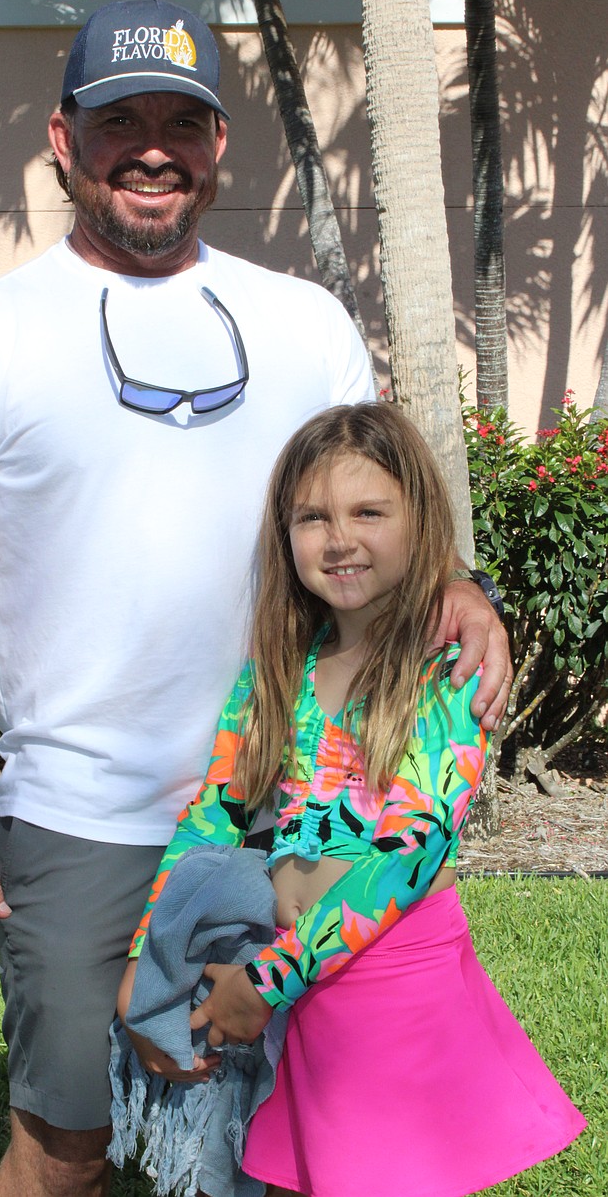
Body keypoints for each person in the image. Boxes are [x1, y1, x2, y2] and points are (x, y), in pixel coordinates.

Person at [0, 0, 511, 1197]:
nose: (153, 149)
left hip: (299, 807)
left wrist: (457, 583)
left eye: (181, 122)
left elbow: (377, 503)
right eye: (121, 121)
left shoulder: (303, 321)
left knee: (295, 1142)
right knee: (67, 1141)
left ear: (217, 144)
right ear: (64, 138)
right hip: (82, 818)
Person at [119, 403, 586, 1197]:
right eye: (313, 517)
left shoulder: (449, 668)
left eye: (369, 511)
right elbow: (213, 812)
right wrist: (146, 954)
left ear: (420, 520)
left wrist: (265, 982)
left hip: (394, 983)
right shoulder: (281, 667)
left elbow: (410, 852)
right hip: (303, 989)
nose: (340, 538)